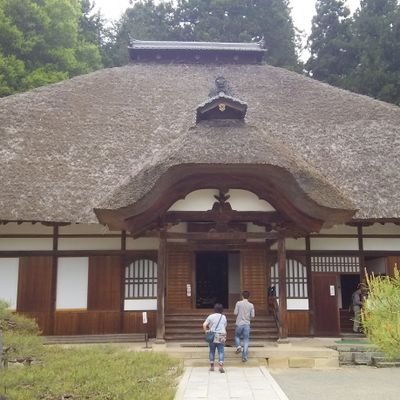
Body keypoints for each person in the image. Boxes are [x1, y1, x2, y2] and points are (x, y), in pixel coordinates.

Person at [203, 303, 227, 373]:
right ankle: (220, 366)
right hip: (221, 335)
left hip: (212, 335)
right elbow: (224, 327)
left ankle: (212, 366)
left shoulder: (211, 316)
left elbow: (204, 324)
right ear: (222, 309)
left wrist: (206, 331)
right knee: (221, 351)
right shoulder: (223, 317)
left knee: (212, 351)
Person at [234, 290, 255, 362]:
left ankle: (238, 346)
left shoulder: (238, 303)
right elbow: (253, 315)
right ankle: (244, 357)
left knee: (237, 336)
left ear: (242, 296)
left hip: (239, 323)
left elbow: (235, 313)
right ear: (249, 297)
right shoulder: (251, 305)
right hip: (247, 324)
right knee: (246, 340)